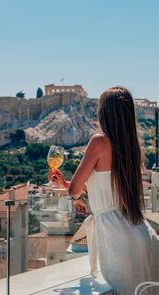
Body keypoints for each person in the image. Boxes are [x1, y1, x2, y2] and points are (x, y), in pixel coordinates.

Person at [49, 86, 159, 295]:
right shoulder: (131, 145)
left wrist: (70, 188)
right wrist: (66, 185)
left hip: (116, 235)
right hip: (140, 232)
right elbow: (109, 189)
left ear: (104, 112)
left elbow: (74, 191)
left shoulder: (99, 141)